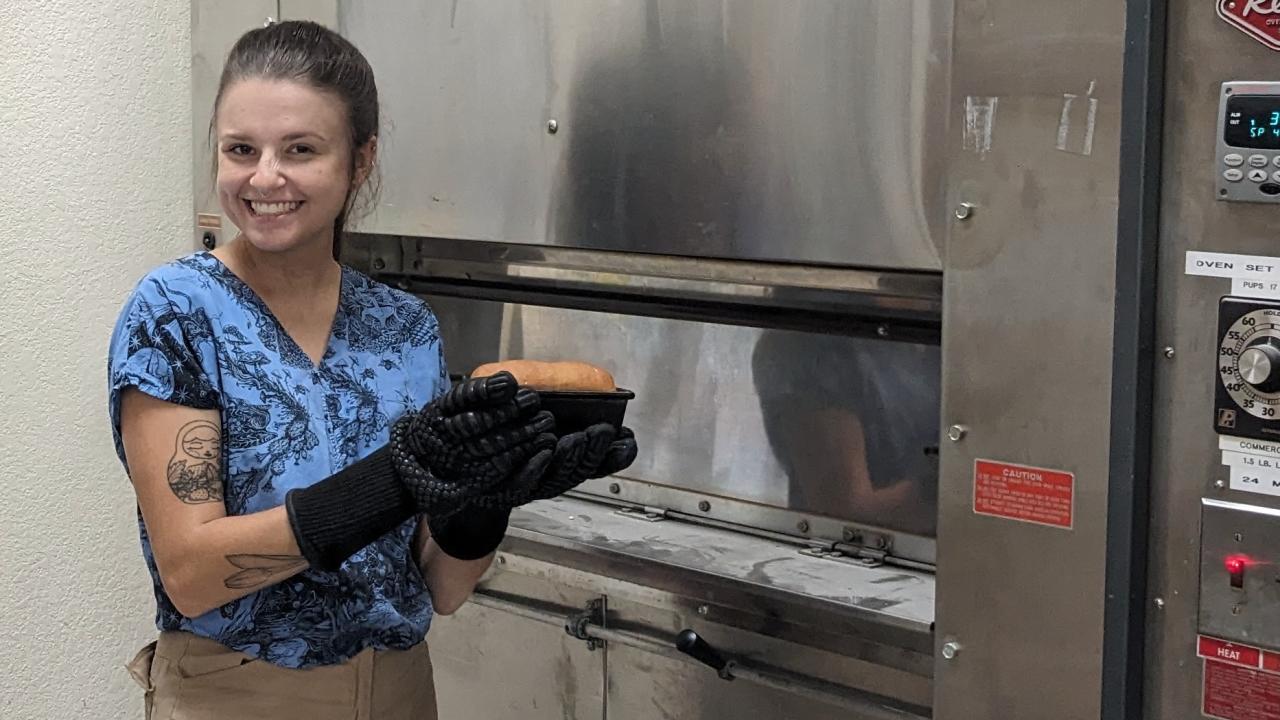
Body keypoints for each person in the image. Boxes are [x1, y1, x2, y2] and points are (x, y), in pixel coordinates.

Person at [108, 20, 636, 720]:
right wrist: (394, 478)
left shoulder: (403, 327)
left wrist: (481, 503)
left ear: (360, 160)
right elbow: (194, 576)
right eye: (241, 149)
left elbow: (439, 590)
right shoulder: (176, 312)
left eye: (300, 149)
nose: (265, 176)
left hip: (400, 690)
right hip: (236, 695)